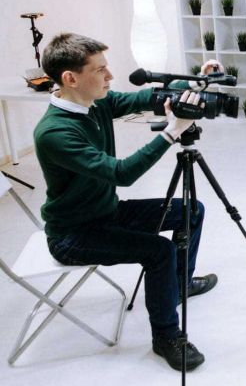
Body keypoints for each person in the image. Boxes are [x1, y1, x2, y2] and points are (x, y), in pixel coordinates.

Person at [35, 33, 219, 371]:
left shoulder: (94, 102)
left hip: (107, 211)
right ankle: (166, 336)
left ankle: (179, 286)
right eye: (100, 70)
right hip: (74, 234)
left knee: (191, 210)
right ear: (71, 78)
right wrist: (172, 132)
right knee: (159, 251)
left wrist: (196, 80)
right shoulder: (55, 133)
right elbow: (122, 173)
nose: (110, 76)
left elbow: (146, 97)